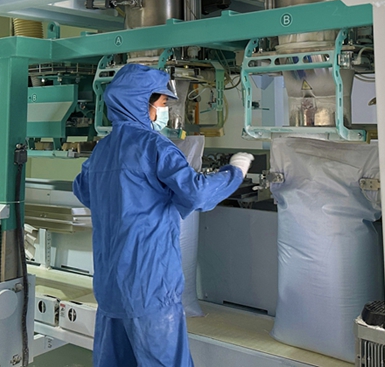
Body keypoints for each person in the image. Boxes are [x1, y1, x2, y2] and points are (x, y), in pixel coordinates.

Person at [73, 63, 253, 366]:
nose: (165, 109)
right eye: (163, 102)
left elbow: (85, 190)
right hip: (149, 286)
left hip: (110, 288)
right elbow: (197, 193)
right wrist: (234, 173)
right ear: (142, 102)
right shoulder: (154, 146)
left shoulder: (102, 150)